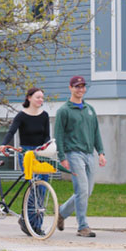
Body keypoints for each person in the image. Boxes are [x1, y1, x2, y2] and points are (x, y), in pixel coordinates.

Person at [54, 75, 106, 237]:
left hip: (89, 154)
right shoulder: (64, 111)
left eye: (82, 86)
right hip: (73, 154)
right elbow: (59, 135)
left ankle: (62, 212)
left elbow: (96, 132)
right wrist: (62, 157)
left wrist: (101, 152)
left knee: (86, 192)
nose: (80, 89)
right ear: (70, 88)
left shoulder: (90, 109)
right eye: (77, 86)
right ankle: (82, 226)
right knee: (82, 189)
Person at [0, 86, 52, 236]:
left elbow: (46, 135)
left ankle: (33, 223)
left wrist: (47, 147)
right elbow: (11, 131)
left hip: (41, 153)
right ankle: (31, 224)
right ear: (29, 98)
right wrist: (3, 143)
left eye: (42, 97)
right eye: (37, 97)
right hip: (26, 153)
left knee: (42, 188)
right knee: (33, 188)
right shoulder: (22, 116)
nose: (40, 100)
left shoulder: (45, 115)